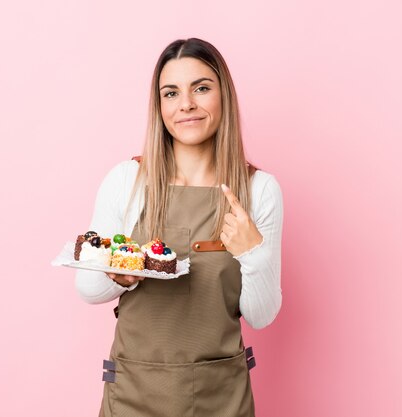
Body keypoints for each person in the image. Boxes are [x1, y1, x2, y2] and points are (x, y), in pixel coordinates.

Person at [75, 38, 283, 417]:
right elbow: (88, 290)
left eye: (201, 88)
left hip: (220, 396)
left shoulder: (258, 190)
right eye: (171, 93)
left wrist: (253, 252)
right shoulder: (128, 180)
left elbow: (261, 315)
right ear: (160, 106)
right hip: (134, 393)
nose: (186, 104)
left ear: (224, 96)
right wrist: (121, 275)